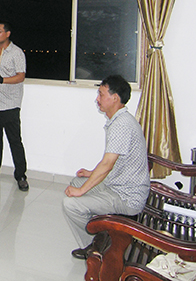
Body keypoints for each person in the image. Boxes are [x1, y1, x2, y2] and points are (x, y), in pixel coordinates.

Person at [63, 74, 150, 260]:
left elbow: (107, 163)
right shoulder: (120, 120)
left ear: (115, 98)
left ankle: (96, 247)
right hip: (118, 185)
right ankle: (99, 237)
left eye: (101, 94)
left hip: (126, 197)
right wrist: (90, 174)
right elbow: (113, 162)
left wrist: (81, 191)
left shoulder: (121, 125)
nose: (97, 99)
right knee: (77, 181)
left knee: (71, 203)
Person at [0, 21, 29, 191]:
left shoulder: (16, 52)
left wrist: (3, 80)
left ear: (7, 33)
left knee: (15, 141)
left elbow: (21, 76)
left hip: (10, 104)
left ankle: (21, 175)